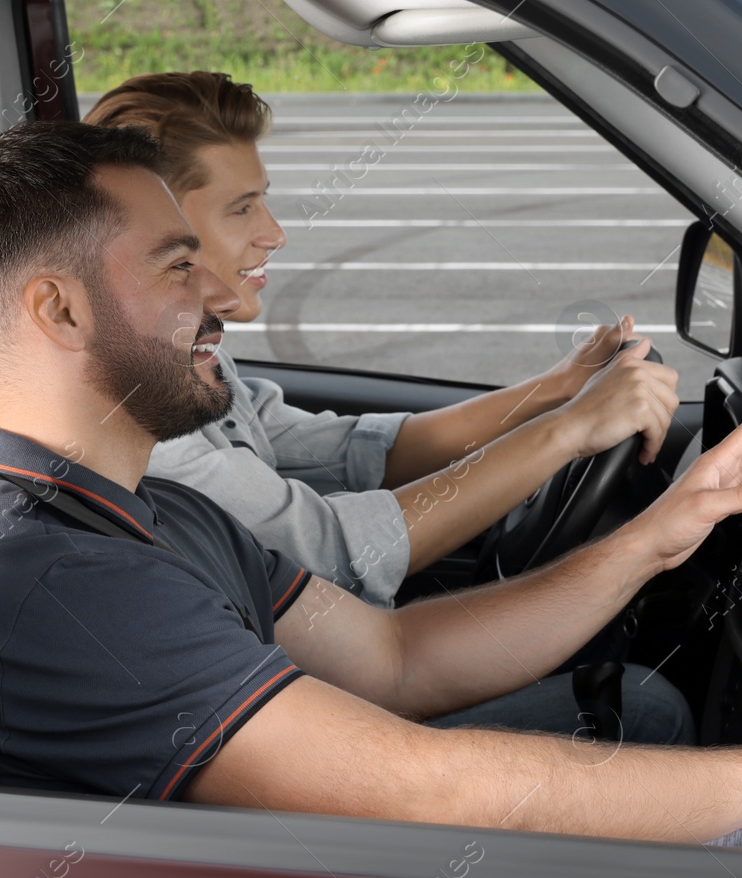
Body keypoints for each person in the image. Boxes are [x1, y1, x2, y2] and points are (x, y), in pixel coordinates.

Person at [0, 120, 742, 844]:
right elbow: (422, 787)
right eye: (177, 267)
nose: (221, 299)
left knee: (641, 709)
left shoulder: (154, 508)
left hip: (291, 876)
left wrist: (657, 534)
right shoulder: (55, 583)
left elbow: (396, 657)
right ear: (59, 311)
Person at [83, 72, 678, 608]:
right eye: (241, 209)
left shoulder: (194, 353)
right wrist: (569, 432)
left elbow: (347, 453)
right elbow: (336, 553)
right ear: (155, 232)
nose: (276, 233)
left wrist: (558, 389)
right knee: (654, 714)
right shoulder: (141, 417)